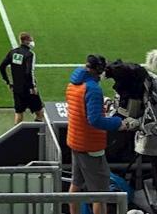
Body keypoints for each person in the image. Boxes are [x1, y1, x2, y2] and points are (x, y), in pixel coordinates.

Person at [66, 54, 136, 214]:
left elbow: (82, 112)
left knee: (76, 184)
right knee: (100, 194)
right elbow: (95, 120)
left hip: (75, 141)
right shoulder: (93, 89)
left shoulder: (73, 83)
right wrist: (121, 123)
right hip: (90, 145)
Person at [0, 32, 43, 123]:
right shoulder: (29, 54)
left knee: (19, 113)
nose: (32, 42)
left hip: (17, 88)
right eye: (31, 40)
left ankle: (17, 135)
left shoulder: (13, 52)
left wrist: (7, 81)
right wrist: (32, 87)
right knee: (39, 112)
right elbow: (29, 72)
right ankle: (38, 132)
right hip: (28, 89)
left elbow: (2, 66)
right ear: (26, 41)